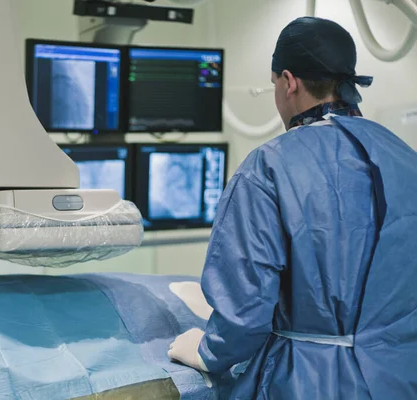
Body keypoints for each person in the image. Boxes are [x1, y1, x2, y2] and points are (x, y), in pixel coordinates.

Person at [168, 16, 417, 399]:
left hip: (307, 382)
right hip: (399, 377)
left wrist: (207, 352)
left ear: (289, 82)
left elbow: (245, 310)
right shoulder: (404, 158)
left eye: (274, 85)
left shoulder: (269, 166)